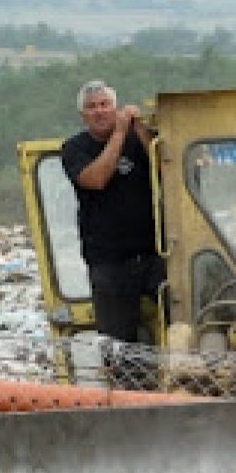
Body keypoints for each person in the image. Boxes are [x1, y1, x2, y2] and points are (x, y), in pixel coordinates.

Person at [61, 80, 165, 343]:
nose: (99, 111)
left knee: (184, 321)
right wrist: (119, 134)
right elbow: (95, 179)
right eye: (92, 107)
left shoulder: (138, 140)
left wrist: (138, 127)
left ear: (115, 107)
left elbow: (165, 168)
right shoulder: (74, 149)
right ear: (83, 115)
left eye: (105, 105)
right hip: (109, 263)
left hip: (155, 255)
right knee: (116, 344)